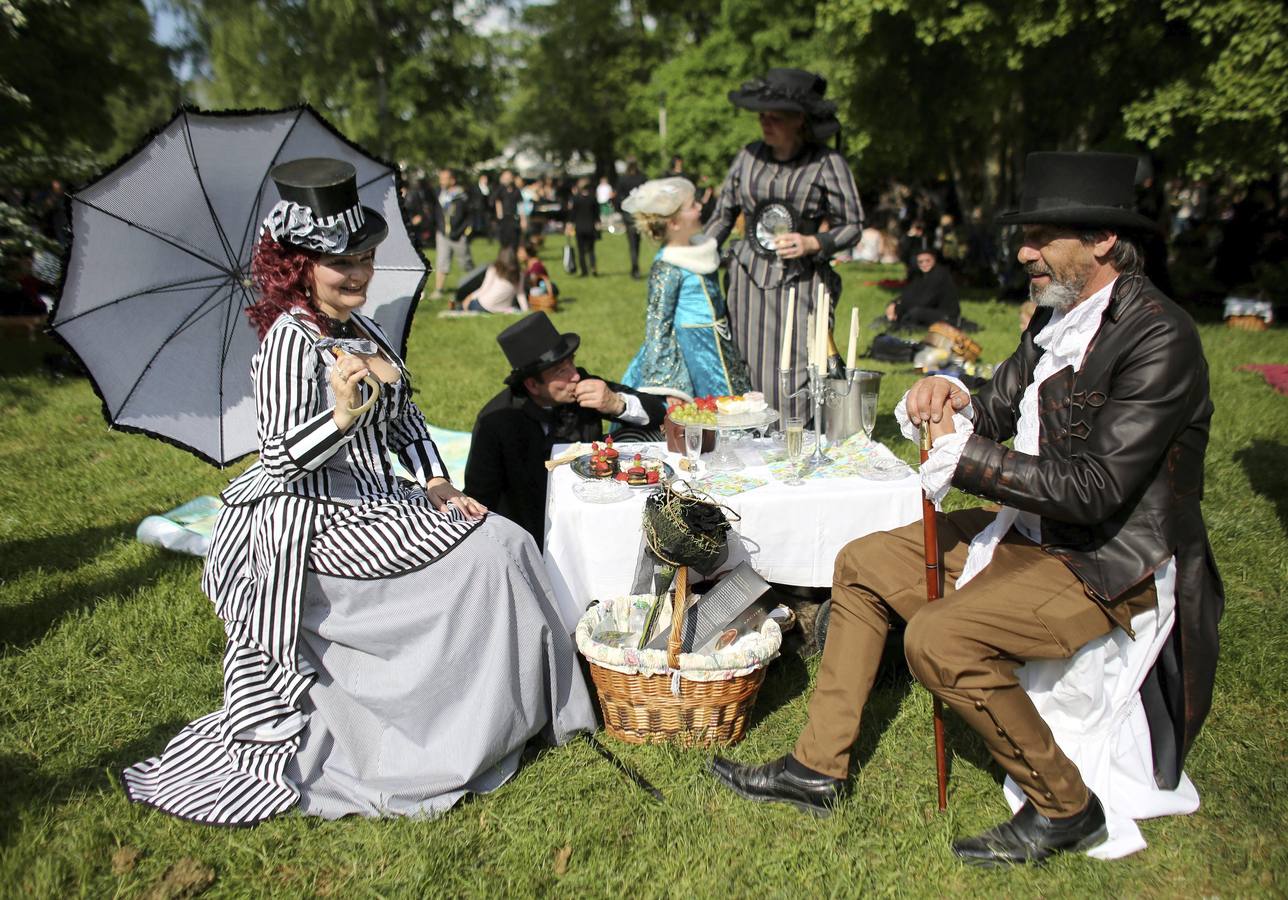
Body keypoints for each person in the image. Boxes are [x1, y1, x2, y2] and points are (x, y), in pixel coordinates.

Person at [709, 152, 1223, 866]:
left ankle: (1066, 806)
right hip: (1038, 530)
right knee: (860, 561)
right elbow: (999, 402)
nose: (1024, 252)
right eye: (1026, 236)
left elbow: (1097, 489)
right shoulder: (1060, 318)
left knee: (939, 639)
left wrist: (968, 459)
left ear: (1103, 241)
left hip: (1110, 558)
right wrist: (948, 392)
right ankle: (816, 768)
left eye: (1042, 236)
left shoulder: (1159, 336)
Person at [122, 158, 594, 825]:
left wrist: (435, 482)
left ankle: (520, 713)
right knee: (490, 557)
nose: (358, 275)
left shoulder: (365, 332)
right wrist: (339, 417)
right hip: (317, 517)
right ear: (299, 268)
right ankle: (451, 733)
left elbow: (408, 427)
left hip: (387, 499)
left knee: (506, 541)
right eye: (339, 264)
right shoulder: (291, 343)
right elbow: (284, 461)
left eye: (365, 259)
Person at [706, 68, 863, 410]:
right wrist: (696, 255)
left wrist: (813, 243)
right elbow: (722, 215)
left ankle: (794, 444)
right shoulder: (748, 157)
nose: (765, 122)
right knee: (743, 364)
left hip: (801, 281)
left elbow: (852, 224)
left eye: (775, 116)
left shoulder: (826, 162)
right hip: (746, 282)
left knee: (795, 370)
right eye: (761, 115)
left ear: (799, 120)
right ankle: (748, 445)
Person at [464, 312, 667, 546]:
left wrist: (616, 403)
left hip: (596, 516)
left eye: (571, 361)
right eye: (561, 371)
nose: (575, 375)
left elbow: (658, 413)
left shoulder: (582, 386)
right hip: (530, 534)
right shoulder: (496, 421)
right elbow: (479, 497)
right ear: (532, 384)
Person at [619, 177, 753, 398]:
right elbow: (657, 326)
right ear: (674, 223)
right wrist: (671, 389)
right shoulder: (668, 265)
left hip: (720, 344)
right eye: (692, 206)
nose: (700, 207)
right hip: (693, 354)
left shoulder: (700, 248)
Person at [884, 248, 960, 328]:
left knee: (915, 313)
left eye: (928, 261)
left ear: (934, 260)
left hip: (947, 315)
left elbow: (926, 301)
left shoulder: (940, 275)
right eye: (920, 262)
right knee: (902, 310)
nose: (924, 264)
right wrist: (893, 304)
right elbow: (907, 294)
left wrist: (901, 307)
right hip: (929, 310)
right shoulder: (920, 276)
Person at [430, 167, 473, 300]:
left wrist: (464, 232)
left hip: (459, 235)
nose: (441, 181)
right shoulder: (439, 195)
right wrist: (439, 228)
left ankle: (473, 287)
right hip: (443, 235)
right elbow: (436, 213)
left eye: (444, 179)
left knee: (465, 263)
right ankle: (438, 290)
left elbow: (470, 216)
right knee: (442, 261)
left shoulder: (462, 196)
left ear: (452, 180)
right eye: (440, 178)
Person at [456, 245, 523, 313]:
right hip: (503, 309)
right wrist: (525, 310)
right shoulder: (519, 274)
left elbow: (484, 289)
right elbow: (520, 294)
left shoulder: (494, 269)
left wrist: (469, 297)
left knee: (461, 306)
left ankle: (457, 307)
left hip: (484, 305)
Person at [615, 160, 647, 278]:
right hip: (639, 213)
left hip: (628, 214)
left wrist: (620, 211)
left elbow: (618, 197)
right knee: (637, 242)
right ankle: (635, 266)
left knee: (632, 242)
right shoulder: (642, 178)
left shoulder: (623, 179)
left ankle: (635, 266)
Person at [565, 178, 600, 277]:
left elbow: (572, 214)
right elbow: (597, 214)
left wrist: (569, 224)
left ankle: (584, 270)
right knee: (591, 250)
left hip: (579, 227)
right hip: (590, 227)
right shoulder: (593, 198)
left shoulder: (576, 198)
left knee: (580, 251)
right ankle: (593, 267)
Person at [517, 241, 555, 306]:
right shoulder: (528, 264)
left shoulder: (536, 266)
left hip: (540, 292)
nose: (518, 254)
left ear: (528, 253)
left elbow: (532, 282)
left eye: (521, 252)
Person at [494, 168, 523, 251]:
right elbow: (497, 202)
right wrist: (500, 216)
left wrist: (523, 219)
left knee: (515, 239)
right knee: (504, 240)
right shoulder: (500, 190)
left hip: (514, 217)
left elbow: (520, 205)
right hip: (504, 218)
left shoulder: (516, 190)